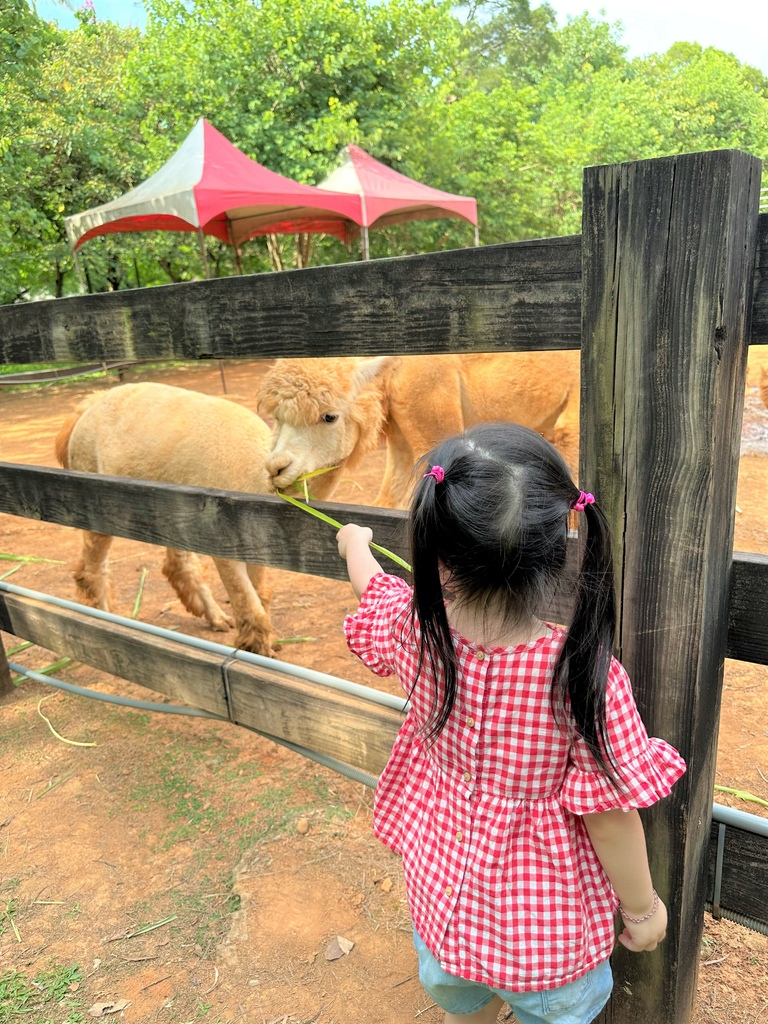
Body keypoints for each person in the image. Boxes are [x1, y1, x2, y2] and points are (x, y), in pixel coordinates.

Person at [336, 423, 686, 1024]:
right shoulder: (583, 678)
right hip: (544, 942)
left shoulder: (414, 631)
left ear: (435, 544)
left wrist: (354, 544)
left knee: (462, 1001)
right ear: (557, 548)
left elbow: (376, 591)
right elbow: (610, 818)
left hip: (445, 907)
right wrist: (643, 909)